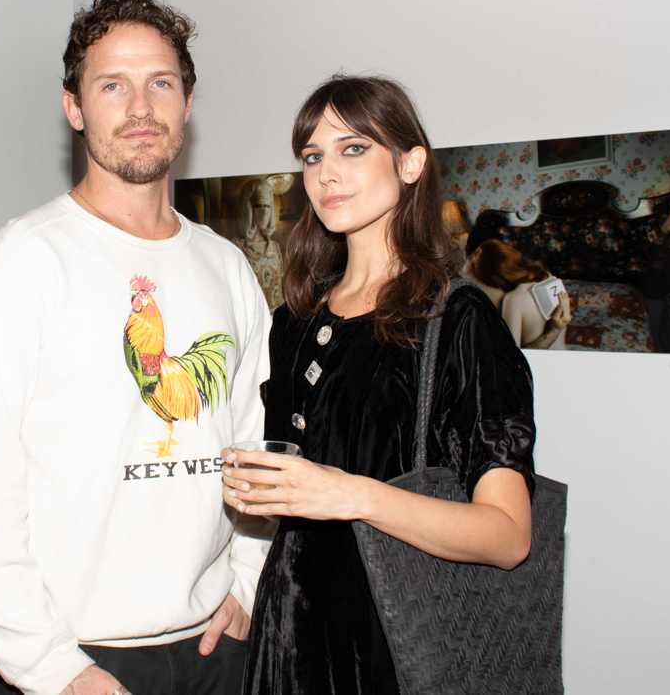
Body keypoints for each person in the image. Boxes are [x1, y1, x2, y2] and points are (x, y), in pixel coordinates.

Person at [0, 0, 271, 695]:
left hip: (216, 646)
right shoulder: (24, 260)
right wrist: (52, 668)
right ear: (74, 108)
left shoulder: (227, 266)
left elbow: (257, 442)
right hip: (79, 662)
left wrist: (247, 580)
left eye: (160, 83)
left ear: (188, 102)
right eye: (113, 85)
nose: (140, 107)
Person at [220, 75, 536, 694]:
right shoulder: (293, 320)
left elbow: (508, 536)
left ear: (411, 163)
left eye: (354, 148)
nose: (326, 174)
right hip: (289, 631)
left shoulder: (457, 319)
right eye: (313, 156)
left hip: (394, 637)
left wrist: (351, 494)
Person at [464, 237, 572, 349]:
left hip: (545, 359)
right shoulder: (547, 277)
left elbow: (513, 358)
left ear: (494, 280)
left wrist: (552, 331)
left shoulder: (513, 300)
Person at [230, 178, 285, 311]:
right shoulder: (236, 248)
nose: (264, 211)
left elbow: (279, 296)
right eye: (258, 205)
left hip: (275, 320)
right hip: (251, 320)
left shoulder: (275, 248)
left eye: (267, 206)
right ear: (247, 207)